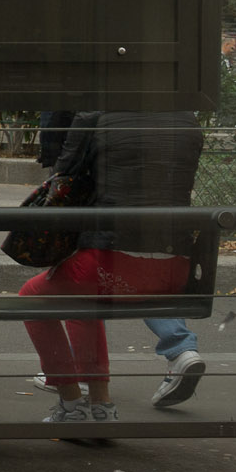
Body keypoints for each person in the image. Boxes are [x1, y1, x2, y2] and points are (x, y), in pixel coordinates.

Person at [21, 111, 205, 423]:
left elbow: (63, 178)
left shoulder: (94, 118)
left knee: (33, 298)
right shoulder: (186, 121)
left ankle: (72, 403)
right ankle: (101, 407)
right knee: (81, 294)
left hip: (111, 262)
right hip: (174, 269)